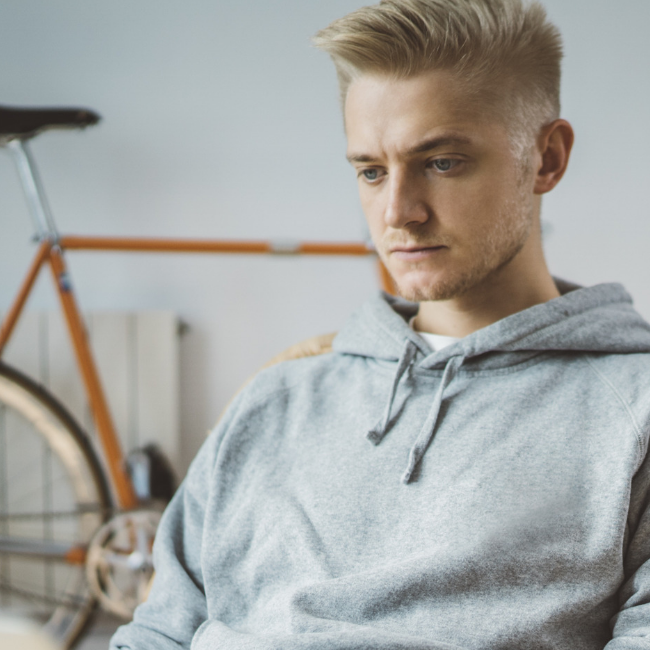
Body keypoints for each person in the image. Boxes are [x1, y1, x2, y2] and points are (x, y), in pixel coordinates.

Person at [110, 1, 650, 648]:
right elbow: (158, 631)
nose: (398, 212)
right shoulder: (276, 400)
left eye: (442, 162)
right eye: (370, 171)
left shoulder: (632, 413)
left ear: (547, 158)